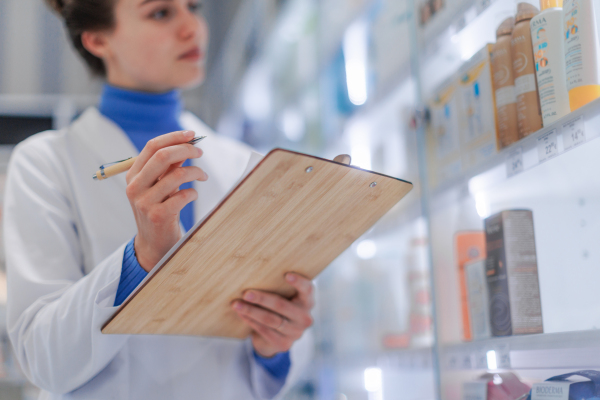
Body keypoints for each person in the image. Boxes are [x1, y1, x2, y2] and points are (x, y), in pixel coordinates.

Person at [3, 0, 314, 398]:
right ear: (99, 40)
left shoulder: (241, 164)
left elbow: (283, 358)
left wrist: (277, 345)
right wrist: (142, 256)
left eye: (194, 7)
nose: (193, 28)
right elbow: (42, 358)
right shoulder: (46, 163)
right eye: (161, 13)